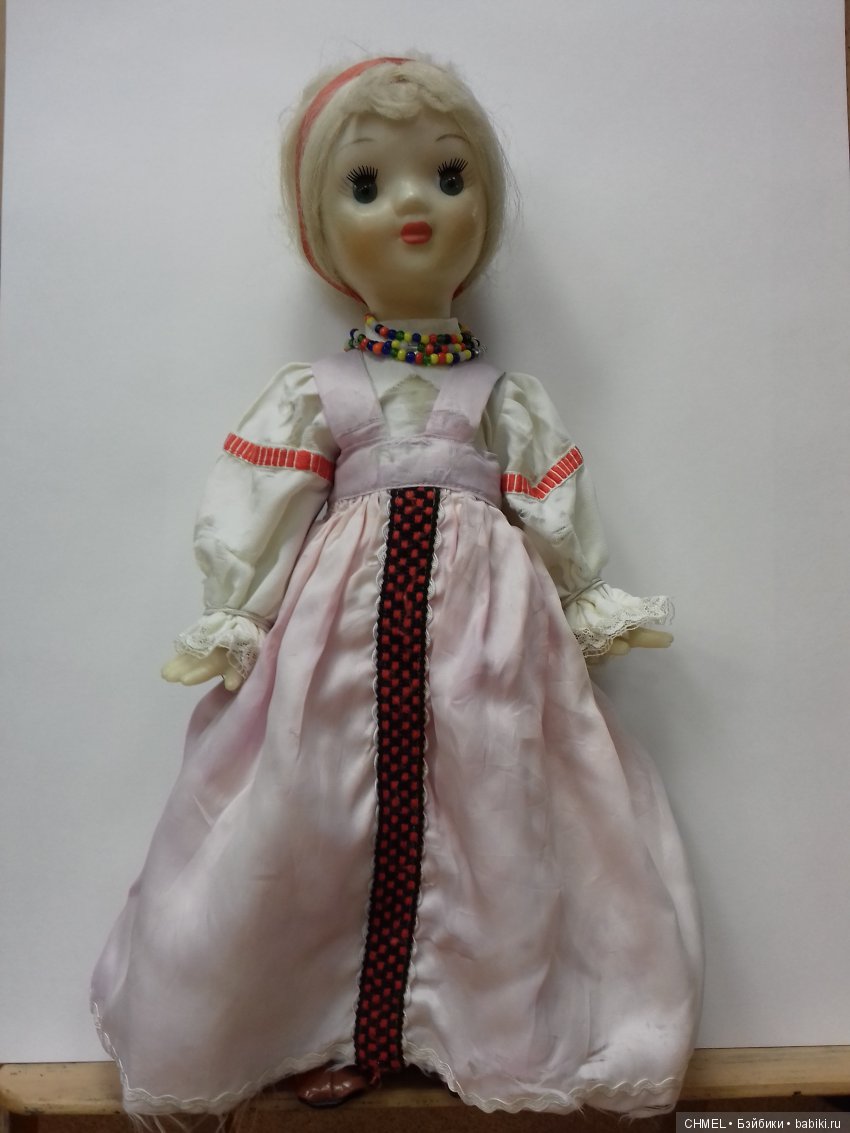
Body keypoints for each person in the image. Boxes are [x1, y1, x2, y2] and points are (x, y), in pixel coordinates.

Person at [91, 56, 702, 1118]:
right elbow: (262, 507)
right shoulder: (317, 393)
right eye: (367, 184)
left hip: (489, 642)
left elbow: (550, 500)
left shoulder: (501, 396)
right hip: (336, 645)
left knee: (499, 812)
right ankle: (327, 1025)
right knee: (312, 813)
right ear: (321, 230)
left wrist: (586, 594)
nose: (414, 205)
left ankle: (471, 1027)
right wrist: (234, 611)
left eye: (448, 176)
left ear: (483, 206)